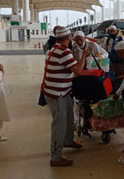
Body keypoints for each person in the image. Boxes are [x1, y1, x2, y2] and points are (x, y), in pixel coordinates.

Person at [43, 26, 89, 167]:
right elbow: (78, 70)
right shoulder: (63, 52)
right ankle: (55, 157)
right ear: (68, 38)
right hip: (57, 94)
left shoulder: (55, 49)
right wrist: (84, 56)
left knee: (69, 116)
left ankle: (68, 141)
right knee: (59, 125)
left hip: (62, 92)